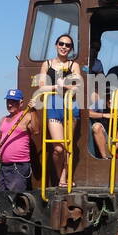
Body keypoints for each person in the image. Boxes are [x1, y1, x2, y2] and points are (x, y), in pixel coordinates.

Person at [35, 33, 82, 187]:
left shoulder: (73, 65)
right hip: (53, 106)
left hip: (70, 106)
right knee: (58, 148)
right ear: (56, 45)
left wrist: (66, 86)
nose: (64, 47)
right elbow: (41, 86)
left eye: (67, 45)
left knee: (68, 145)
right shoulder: (46, 64)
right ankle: (59, 175)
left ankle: (64, 178)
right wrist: (56, 86)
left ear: (71, 49)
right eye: (61, 43)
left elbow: (78, 86)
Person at [0, 89, 38, 192]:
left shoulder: (26, 116)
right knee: (1, 197)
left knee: (15, 197)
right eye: (8, 101)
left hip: (19, 165)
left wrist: (33, 110)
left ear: (21, 103)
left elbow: (35, 130)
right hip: (4, 166)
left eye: (13, 102)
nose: (10, 105)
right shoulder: (3, 119)